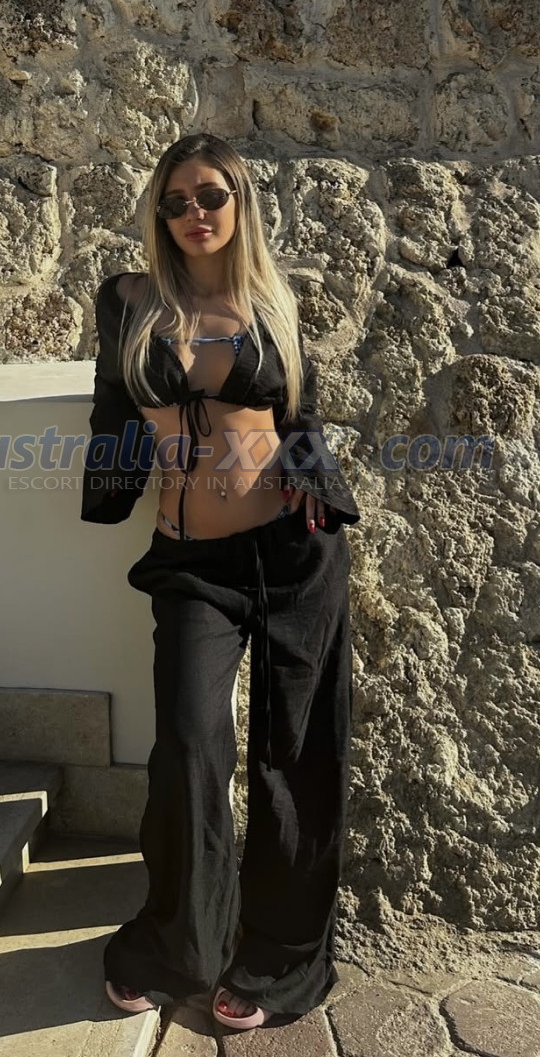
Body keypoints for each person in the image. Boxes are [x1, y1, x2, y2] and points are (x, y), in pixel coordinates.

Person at [80, 133, 361, 1032]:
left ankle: (279, 958)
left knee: (296, 755)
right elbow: (114, 407)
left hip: (290, 554)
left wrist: (319, 485)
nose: (193, 214)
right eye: (175, 201)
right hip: (191, 564)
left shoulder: (273, 300)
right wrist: (105, 493)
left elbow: (301, 416)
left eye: (209, 196)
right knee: (190, 746)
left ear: (239, 203)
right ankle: (178, 946)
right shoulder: (127, 300)